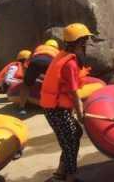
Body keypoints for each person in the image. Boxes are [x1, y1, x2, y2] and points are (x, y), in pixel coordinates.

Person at [40, 23, 92, 182]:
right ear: (80, 42)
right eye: (85, 41)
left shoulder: (64, 55)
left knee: (74, 135)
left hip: (57, 109)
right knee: (70, 142)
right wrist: (80, 112)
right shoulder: (69, 64)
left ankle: (60, 172)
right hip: (56, 110)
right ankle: (70, 177)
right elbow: (74, 92)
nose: (87, 44)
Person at [19, 39, 60, 116]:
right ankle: (53, 106)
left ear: (45, 44)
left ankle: (22, 108)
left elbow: (28, 61)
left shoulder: (39, 47)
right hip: (49, 63)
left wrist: (26, 78)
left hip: (35, 62)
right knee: (53, 86)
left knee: (26, 85)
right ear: (56, 47)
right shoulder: (57, 51)